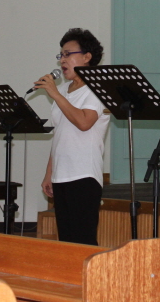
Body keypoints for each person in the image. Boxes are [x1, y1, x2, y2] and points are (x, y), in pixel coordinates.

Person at [36, 28, 110, 246]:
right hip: (61, 175)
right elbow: (60, 134)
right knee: (66, 242)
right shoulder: (64, 91)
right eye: (61, 55)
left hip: (83, 174)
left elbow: (84, 122)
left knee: (82, 241)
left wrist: (55, 94)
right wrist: (49, 173)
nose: (62, 60)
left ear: (87, 57)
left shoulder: (97, 88)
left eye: (68, 54)